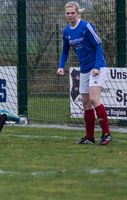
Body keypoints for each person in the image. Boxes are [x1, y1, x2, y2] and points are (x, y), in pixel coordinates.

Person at [57, 1, 112, 145]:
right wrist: (60, 66)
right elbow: (64, 51)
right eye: (67, 13)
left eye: (72, 13)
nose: (70, 15)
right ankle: (89, 137)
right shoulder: (66, 31)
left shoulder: (86, 27)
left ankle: (106, 134)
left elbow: (98, 46)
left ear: (78, 13)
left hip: (97, 66)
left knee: (94, 99)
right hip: (84, 70)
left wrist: (96, 67)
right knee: (86, 104)